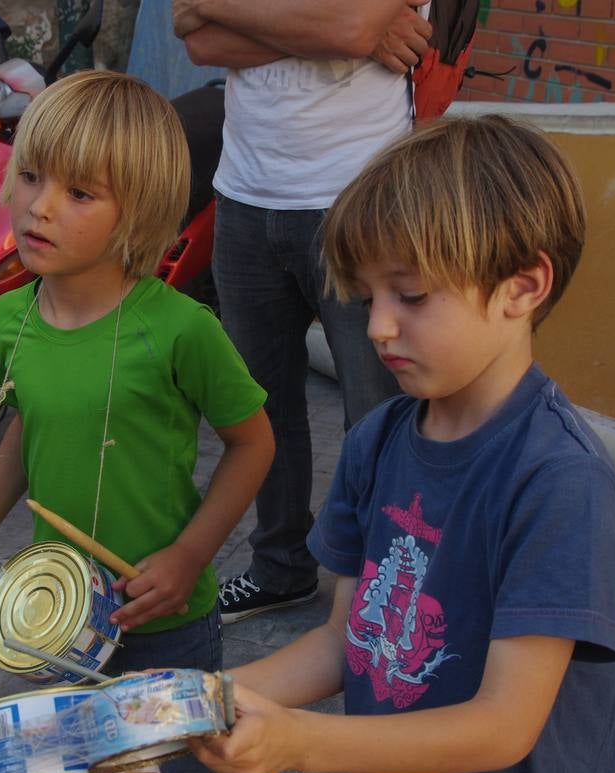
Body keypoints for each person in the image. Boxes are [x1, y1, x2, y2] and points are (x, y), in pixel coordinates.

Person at [190, 116, 615, 773]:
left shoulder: (560, 482)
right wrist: (203, 700)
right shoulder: (376, 442)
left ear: (523, 287)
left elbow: (505, 722)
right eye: (368, 297)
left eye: (414, 294)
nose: (380, 326)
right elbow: (347, 643)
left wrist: (300, 742)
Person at [0, 71, 273, 773]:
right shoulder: (7, 320)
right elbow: (25, 427)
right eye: (31, 176)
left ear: (142, 212)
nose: (39, 206)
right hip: (65, 615)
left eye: (80, 191)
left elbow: (252, 444)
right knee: (113, 771)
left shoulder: (179, 330)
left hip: (166, 614)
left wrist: (192, 555)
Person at [174, 0, 433, 623]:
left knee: (380, 415)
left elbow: (351, 26)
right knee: (260, 409)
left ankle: (383, 588)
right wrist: (338, 38)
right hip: (243, 193)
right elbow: (199, 42)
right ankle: (280, 568)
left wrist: (224, 9)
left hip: (359, 198)